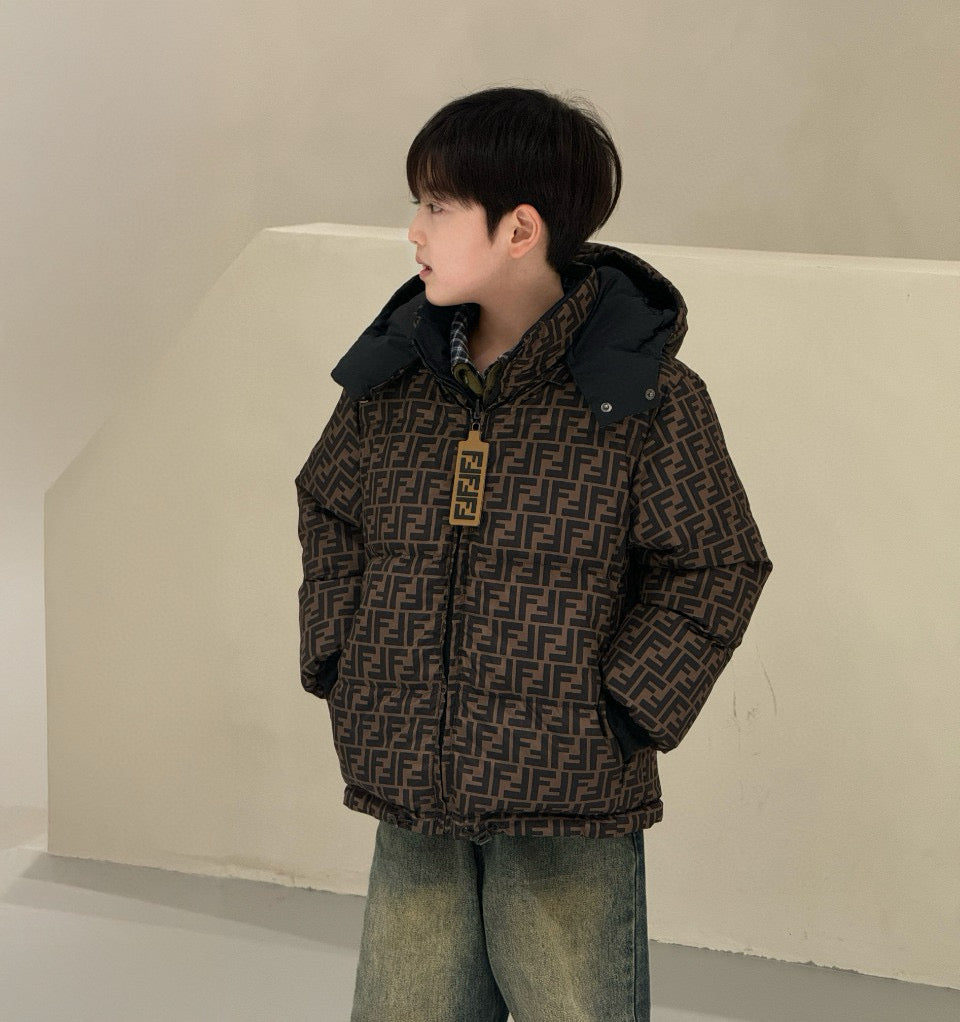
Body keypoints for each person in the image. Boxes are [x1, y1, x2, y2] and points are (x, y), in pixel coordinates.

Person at [296, 86, 772, 1022]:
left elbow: (716, 564)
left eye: (438, 206)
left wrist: (622, 710)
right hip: (412, 786)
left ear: (519, 229)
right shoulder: (394, 381)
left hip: (570, 809)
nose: (414, 230)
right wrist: (345, 656)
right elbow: (330, 508)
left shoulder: (641, 397)